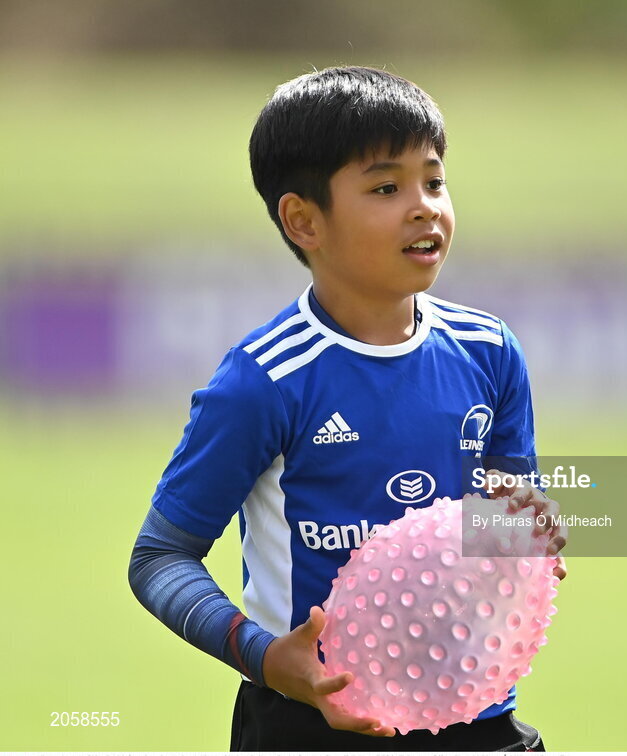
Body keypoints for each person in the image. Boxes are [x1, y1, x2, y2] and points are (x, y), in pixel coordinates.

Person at [128, 66, 566, 752]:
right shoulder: (264, 382)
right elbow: (160, 558)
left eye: (435, 180)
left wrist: (527, 530)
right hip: (313, 725)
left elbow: (507, 512)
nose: (424, 206)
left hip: (478, 719)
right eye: (387, 188)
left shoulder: (490, 351)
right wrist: (267, 657)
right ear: (304, 220)